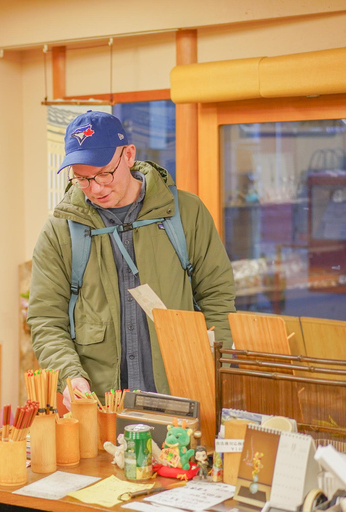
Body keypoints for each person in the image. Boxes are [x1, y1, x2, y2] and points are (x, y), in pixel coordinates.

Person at [27, 111, 235, 411]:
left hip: (181, 394)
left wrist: (217, 371)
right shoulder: (61, 230)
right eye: (83, 179)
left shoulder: (185, 213)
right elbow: (46, 320)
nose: (96, 188)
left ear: (128, 155)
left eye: (104, 173)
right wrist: (70, 376)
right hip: (101, 405)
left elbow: (217, 297)